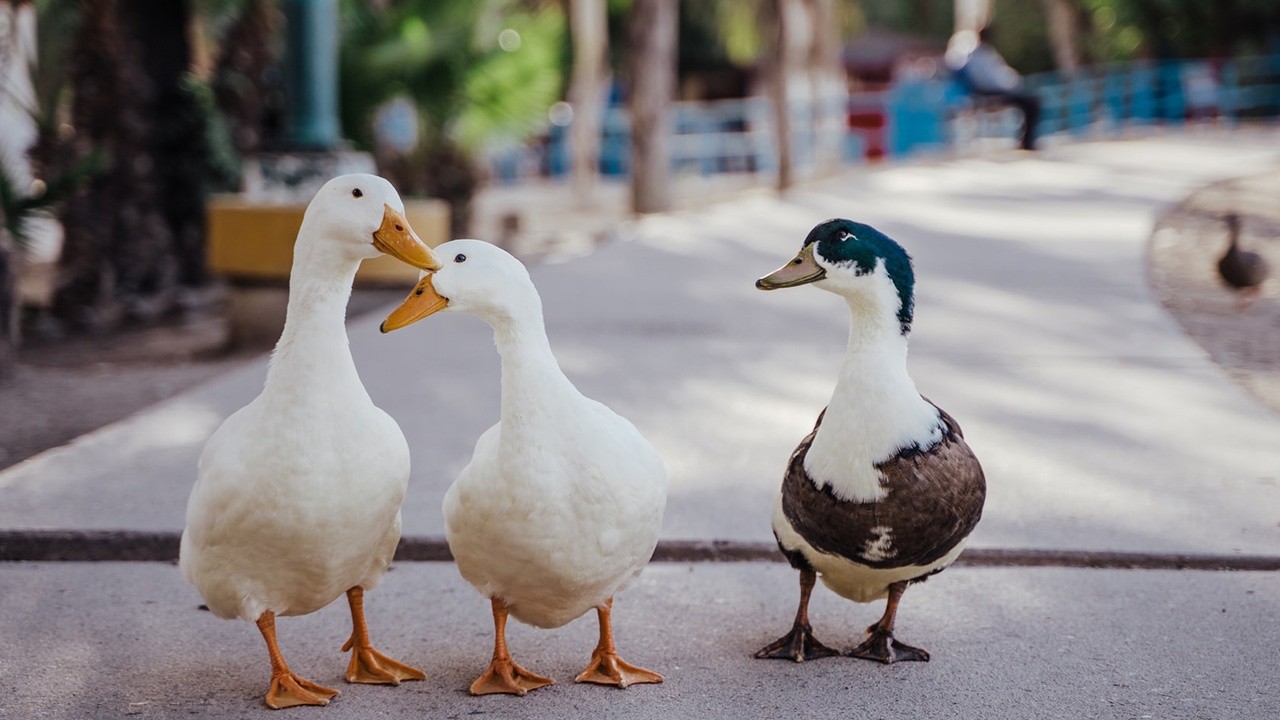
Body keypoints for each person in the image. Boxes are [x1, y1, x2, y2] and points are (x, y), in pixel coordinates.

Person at [946, 25, 1042, 151]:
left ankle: (1026, 141)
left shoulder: (981, 53)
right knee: (1031, 103)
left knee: (1030, 101)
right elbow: (990, 80)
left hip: (993, 90)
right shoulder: (976, 54)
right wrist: (1012, 86)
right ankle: (1026, 142)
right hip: (989, 93)